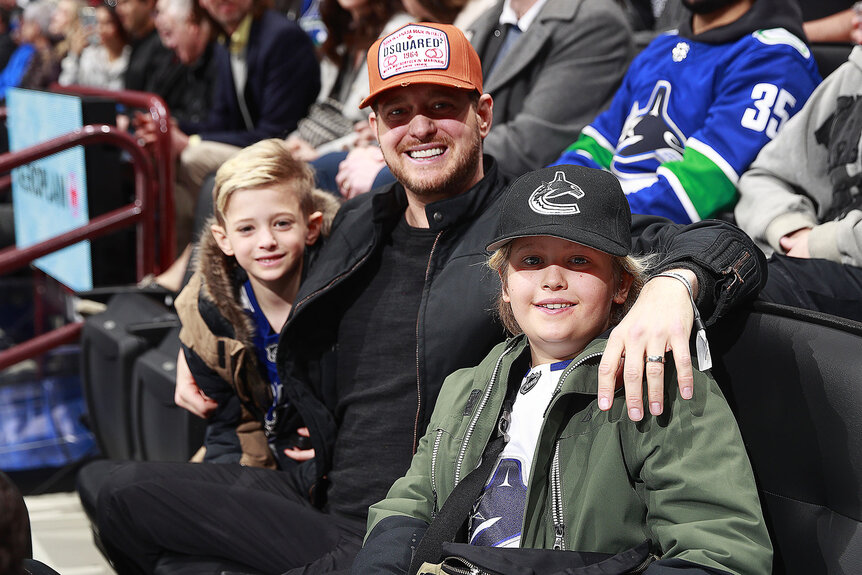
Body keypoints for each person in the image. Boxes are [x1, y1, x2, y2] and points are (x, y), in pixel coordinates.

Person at [92, 22, 766, 574]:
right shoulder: (357, 221)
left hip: (410, 523)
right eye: (397, 112)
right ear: (375, 129)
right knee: (109, 490)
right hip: (314, 489)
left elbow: (722, 244)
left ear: (482, 114)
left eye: (441, 107)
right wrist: (200, 329)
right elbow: (246, 247)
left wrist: (677, 286)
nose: (419, 128)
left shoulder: (535, 226)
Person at [352, 164, 772, 574]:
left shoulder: (659, 382)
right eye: (532, 260)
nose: (553, 279)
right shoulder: (467, 386)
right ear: (505, 284)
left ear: (622, 284)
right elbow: (410, 504)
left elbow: (719, 553)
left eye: (578, 261)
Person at [325, 0, 635, 198]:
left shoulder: (594, 19)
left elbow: (532, 144)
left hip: (508, 194)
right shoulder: (490, 17)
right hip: (454, 170)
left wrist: (389, 169)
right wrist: (386, 146)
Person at [551, 0, 821, 224]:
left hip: (676, 248)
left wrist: (584, 216)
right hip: (603, 223)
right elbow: (596, 146)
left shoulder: (775, 57)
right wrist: (544, 200)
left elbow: (699, 189)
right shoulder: (660, 47)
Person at [173, 139, 338, 468]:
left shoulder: (344, 290)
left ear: (312, 227)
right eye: (247, 229)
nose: (267, 242)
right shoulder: (209, 315)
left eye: (282, 223)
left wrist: (340, 443)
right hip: (252, 462)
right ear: (225, 240)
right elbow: (228, 427)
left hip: (330, 463)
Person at [735, 45, 862, 321]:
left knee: (736, 296)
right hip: (806, 252)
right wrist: (792, 230)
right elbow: (766, 175)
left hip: (836, 261)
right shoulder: (853, 75)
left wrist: (823, 243)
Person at [59, 3, 130, 90]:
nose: (100, 28)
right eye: (97, 22)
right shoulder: (90, 55)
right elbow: (65, 85)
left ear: (119, 24)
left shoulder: (131, 56)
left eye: (107, 23)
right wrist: (74, 56)